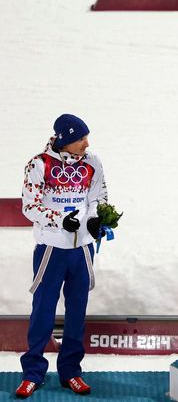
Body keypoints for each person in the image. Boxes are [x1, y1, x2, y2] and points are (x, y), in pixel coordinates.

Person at [16, 114, 108, 398]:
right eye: (81, 138)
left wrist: (94, 220)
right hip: (51, 250)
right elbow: (29, 206)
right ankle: (33, 373)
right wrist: (58, 220)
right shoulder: (39, 164)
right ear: (66, 139)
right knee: (43, 312)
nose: (86, 143)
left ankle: (71, 372)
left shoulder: (92, 162)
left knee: (76, 314)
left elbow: (99, 197)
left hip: (81, 251)